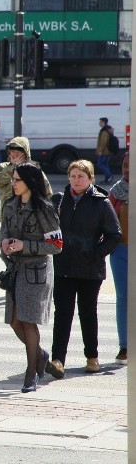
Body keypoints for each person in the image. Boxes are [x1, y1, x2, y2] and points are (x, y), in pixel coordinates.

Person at [47, 160, 121, 378]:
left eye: (81, 176)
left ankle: (92, 357)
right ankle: (57, 360)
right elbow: (48, 227)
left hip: (90, 269)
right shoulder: (59, 200)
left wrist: (95, 253)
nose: (76, 180)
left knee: (88, 313)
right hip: (63, 267)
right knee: (63, 314)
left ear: (90, 178)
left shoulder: (101, 202)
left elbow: (114, 235)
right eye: (73, 176)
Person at [1, 162, 62, 393]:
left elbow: (56, 245)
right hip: (15, 269)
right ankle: (41, 356)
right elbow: (5, 231)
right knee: (15, 321)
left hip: (36, 272)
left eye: (17, 180)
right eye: (13, 180)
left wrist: (24, 245)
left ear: (30, 182)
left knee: (28, 321)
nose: (13, 184)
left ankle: (31, 373)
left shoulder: (44, 208)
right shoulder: (10, 205)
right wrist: (5, 243)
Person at [0, 137, 52, 221]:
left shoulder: (33, 170)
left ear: (25, 153)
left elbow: (47, 193)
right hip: (8, 217)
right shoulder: (3, 167)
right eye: (12, 151)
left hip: (31, 217)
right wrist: (12, 167)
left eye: (17, 152)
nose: (14, 154)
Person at [108, 151, 129, 365]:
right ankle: (125, 346)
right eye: (125, 164)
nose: (128, 168)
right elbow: (106, 222)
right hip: (121, 252)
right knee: (123, 298)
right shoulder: (115, 191)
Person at [96, 117, 114, 184]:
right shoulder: (108, 129)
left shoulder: (104, 131)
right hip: (108, 151)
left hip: (104, 151)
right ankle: (107, 180)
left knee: (100, 164)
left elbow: (103, 142)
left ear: (103, 122)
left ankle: (109, 176)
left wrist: (100, 150)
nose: (99, 123)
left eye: (100, 122)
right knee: (106, 165)